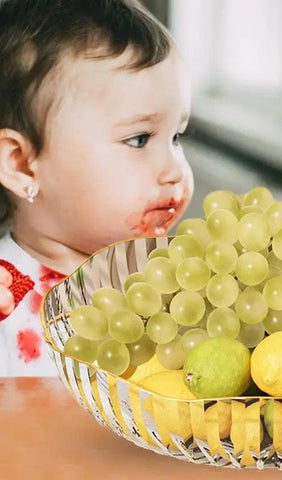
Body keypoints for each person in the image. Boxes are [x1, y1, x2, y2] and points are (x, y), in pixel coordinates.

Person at [0, 0, 194, 376]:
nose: (174, 169)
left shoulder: (179, 289)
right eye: (139, 139)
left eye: (177, 137)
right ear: (21, 165)